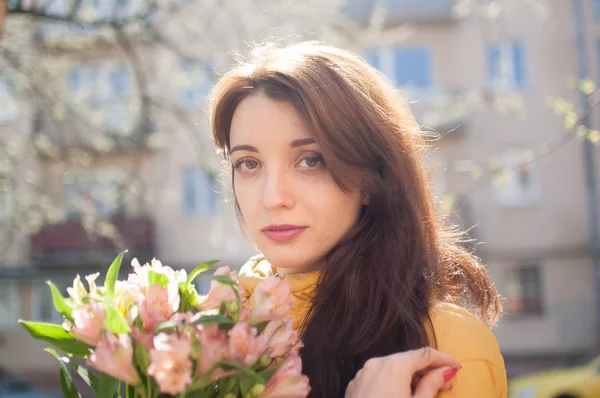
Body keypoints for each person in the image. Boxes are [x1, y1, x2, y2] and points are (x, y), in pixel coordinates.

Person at [208, 41, 507, 397]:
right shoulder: (205, 339)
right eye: (249, 164)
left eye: (311, 160)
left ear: (371, 179)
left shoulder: (444, 350)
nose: (273, 198)